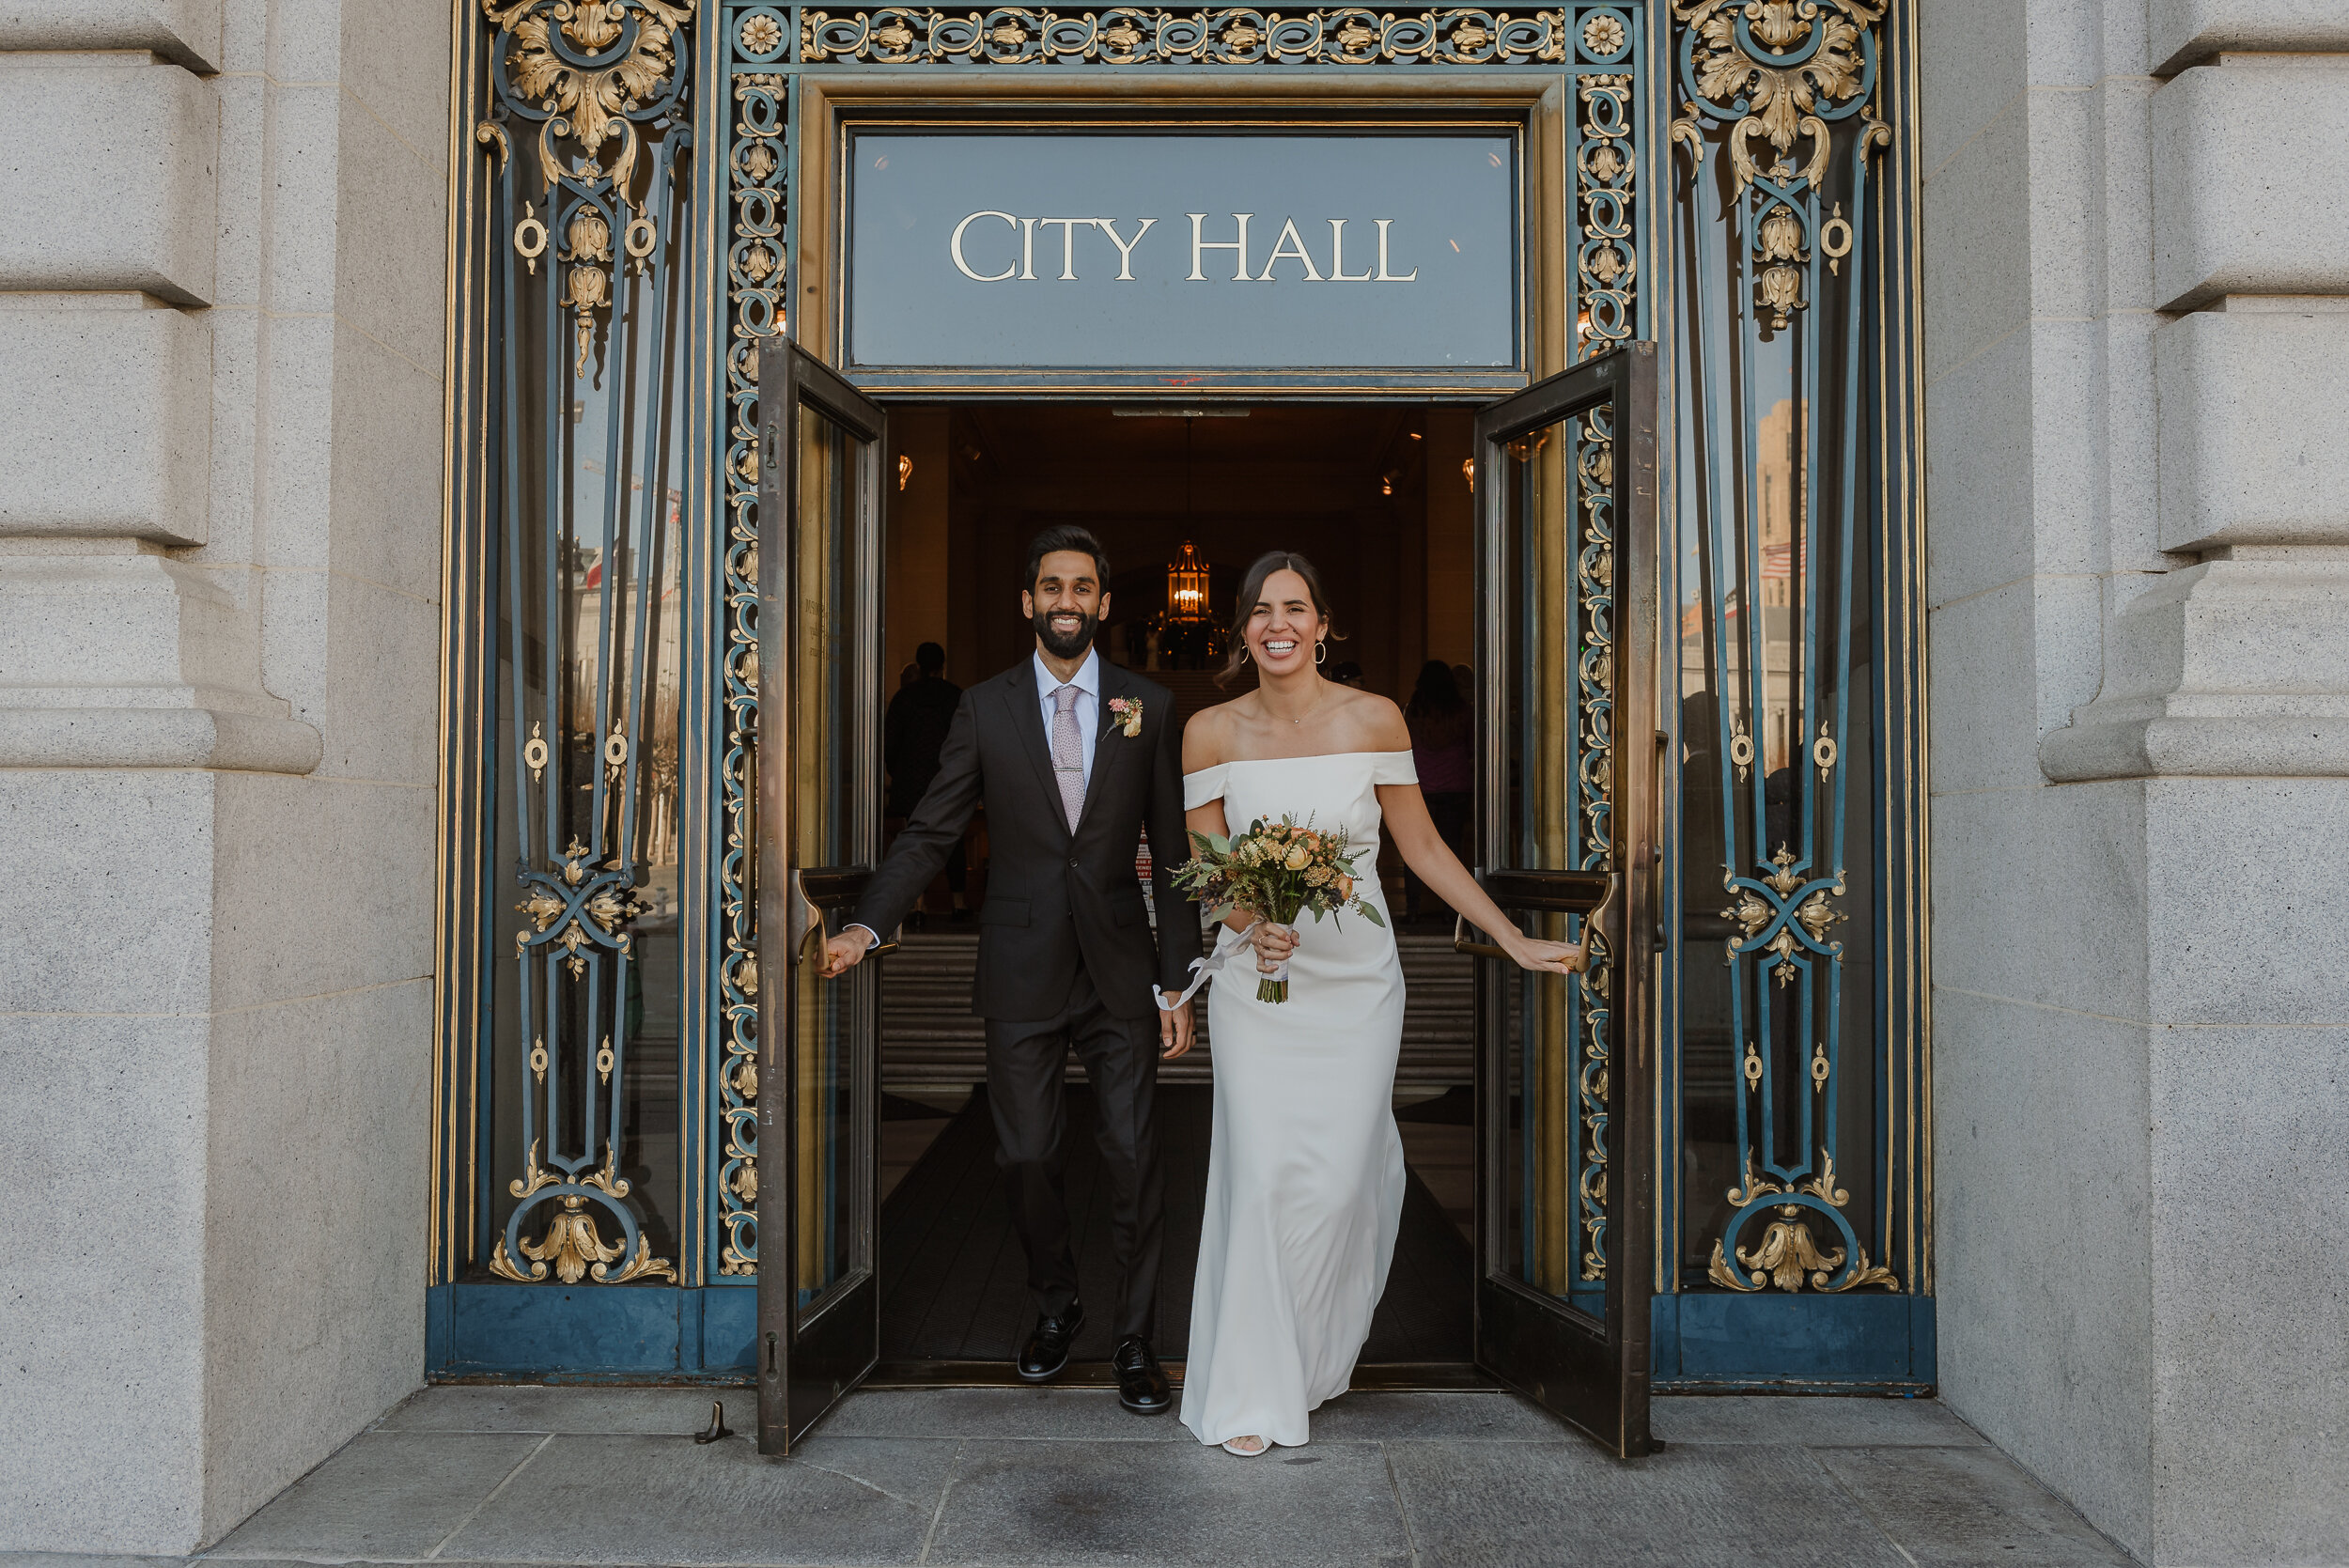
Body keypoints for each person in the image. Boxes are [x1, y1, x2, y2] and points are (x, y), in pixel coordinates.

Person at [1174, 551, 1584, 1457]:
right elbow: (1208, 871)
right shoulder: (1207, 732)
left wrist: (1509, 935)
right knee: (1264, 1176)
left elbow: (1424, 847)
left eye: (1296, 607)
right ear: (1241, 630)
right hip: (1257, 986)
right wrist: (1253, 916)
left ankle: (1312, 1355)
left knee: (1335, 1182)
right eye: (1260, 611)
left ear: (1325, 624)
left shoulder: (1376, 718)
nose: (1277, 623)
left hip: (1358, 986)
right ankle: (1255, 1387)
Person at [817, 526, 1201, 1416]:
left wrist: (1180, 976)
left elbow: (1174, 851)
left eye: (1083, 588)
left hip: (1119, 967)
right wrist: (868, 923)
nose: (1067, 600)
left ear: (1105, 603)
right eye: (1051, 587)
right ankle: (1058, 1303)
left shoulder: (1146, 703)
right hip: (1022, 968)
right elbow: (931, 829)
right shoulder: (984, 709)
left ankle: (1137, 1339)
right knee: (1027, 1154)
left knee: (1136, 1153)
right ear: (1027, 601)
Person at [884, 641, 965, 917]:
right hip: (948, 782)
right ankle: (959, 903)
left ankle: (916, 905)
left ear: (919, 666)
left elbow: (890, 744)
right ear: (942, 666)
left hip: (911, 784)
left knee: (913, 843)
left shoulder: (904, 698)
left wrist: (900, 774)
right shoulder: (956, 697)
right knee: (954, 842)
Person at [1403, 660, 1474, 917]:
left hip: (1420, 787)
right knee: (1452, 849)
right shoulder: (1462, 710)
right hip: (1455, 787)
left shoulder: (1414, 710)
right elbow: (1471, 747)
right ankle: (1451, 911)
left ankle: (1413, 910)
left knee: (1412, 850)